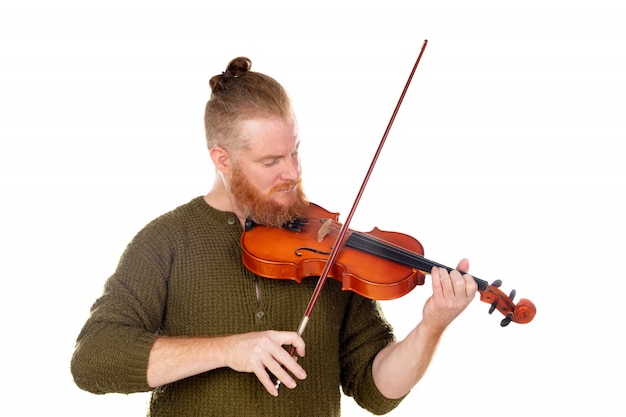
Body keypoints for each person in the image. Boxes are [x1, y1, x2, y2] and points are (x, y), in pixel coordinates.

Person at [70, 57, 477, 417]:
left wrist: (431, 327)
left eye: (295, 152)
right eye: (271, 161)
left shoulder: (328, 243)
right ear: (222, 159)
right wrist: (228, 350)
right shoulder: (167, 241)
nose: (293, 172)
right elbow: (93, 359)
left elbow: (376, 390)